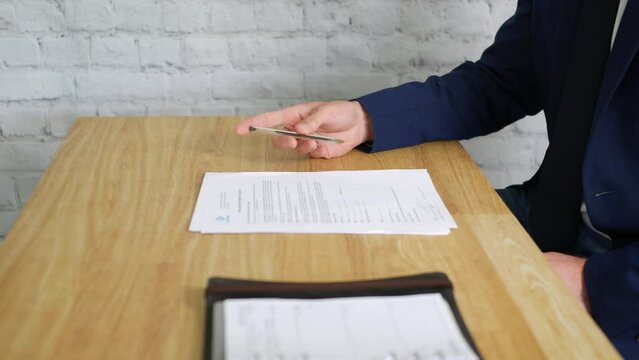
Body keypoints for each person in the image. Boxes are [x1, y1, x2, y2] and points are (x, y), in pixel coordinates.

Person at [236, 0, 639, 357]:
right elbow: (501, 82)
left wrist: (595, 283)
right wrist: (366, 119)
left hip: (623, 276)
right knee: (349, 259)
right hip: (553, 213)